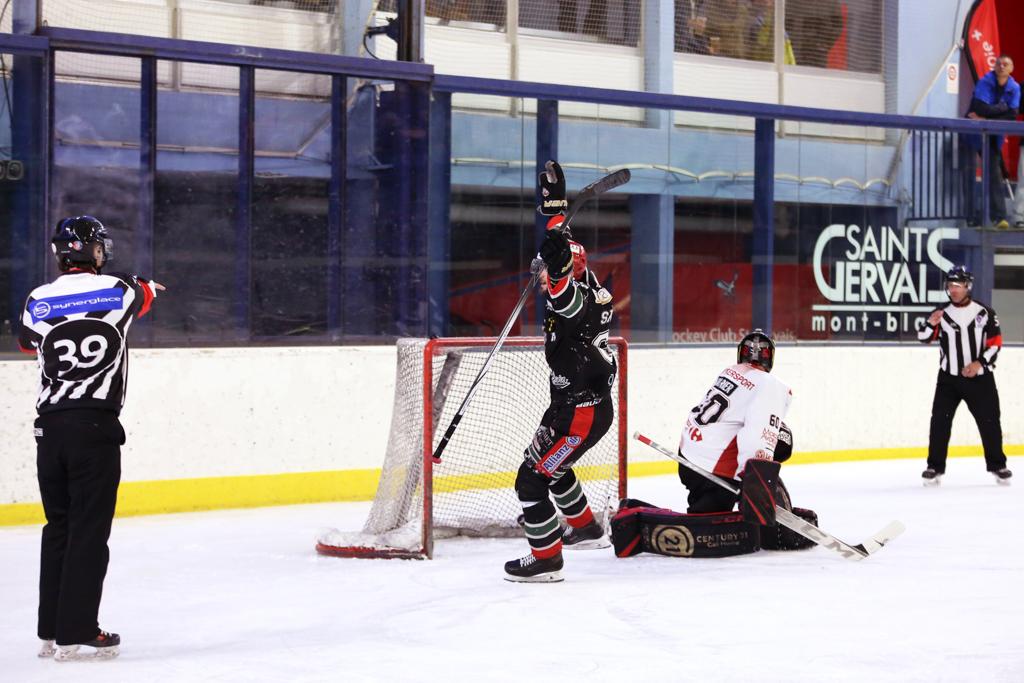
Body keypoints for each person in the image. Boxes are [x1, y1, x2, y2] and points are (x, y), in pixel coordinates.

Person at [18, 216, 164, 661]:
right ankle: (78, 629)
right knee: (88, 532)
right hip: (94, 428)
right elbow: (148, 293)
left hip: (51, 430)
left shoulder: (37, 298)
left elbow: (27, 345)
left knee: (58, 528)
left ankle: (50, 628)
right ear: (91, 251)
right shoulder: (120, 289)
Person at [504, 161, 617, 583]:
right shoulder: (589, 283)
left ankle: (547, 559)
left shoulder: (575, 302)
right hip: (573, 406)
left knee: (531, 481)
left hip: (580, 415)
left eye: (557, 270)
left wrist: (557, 270)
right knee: (553, 467)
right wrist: (554, 204)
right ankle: (585, 528)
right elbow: (562, 246)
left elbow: (567, 300)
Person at [609, 330, 816, 559]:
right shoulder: (771, 385)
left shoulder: (731, 372)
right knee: (782, 439)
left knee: (706, 512)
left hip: (688, 459)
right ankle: (767, 509)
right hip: (714, 473)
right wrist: (756, 484)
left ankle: (643, 510)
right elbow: (759, 433)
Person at [917, 265, 1011, 486]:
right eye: (950, 286)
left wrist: (978, 363)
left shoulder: (984, 312)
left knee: (989, 421)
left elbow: (995, 344)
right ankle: (934, 466)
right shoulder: (942, 313)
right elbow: (923, 336)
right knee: (940, 422)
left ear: (968, 286)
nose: (954, 290)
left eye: (958, 285)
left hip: (980, 379)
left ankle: (998, 465)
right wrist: (931, 322)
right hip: (948, 379)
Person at [966, 54, 1020, 230]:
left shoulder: (1014, 87)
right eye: (999, 63)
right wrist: (1002, 108)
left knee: (994, 172)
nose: (1002, 66)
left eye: (1006, 64)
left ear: (1011, 69)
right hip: (973, 132)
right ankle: (974, 216)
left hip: (993, 135)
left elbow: (1013, 114)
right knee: (968, 172)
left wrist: (987, 114)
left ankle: (997, 217)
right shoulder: (985, 81)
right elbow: (979, 106)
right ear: (994, 66)